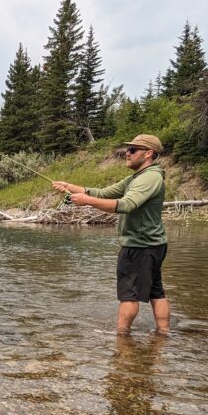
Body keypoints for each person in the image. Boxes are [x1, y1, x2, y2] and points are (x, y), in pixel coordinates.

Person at [52, 133, 170, 335]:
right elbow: (103, 192)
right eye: (128, 149)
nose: (127, 153)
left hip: (140, 245)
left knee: (129, 295)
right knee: (154, 291)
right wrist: (69, 187)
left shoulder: (150, 177)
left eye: (133, 150)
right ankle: (164, 333)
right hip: (152, 244)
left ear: (149, 153)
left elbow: (126, 205)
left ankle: (122, 337)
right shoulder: (138, 177)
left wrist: (86, 201)